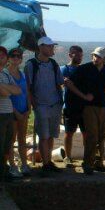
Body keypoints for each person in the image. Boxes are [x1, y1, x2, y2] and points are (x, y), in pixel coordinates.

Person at [64, 47, 105, 175]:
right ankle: (88, 164)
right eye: (94, 55)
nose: (95, 58)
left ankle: (99, 162)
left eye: (98, 56)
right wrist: (84, 96)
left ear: (104, 58)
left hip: (103, 107)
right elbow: (68, 83)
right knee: (92, 135)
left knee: (102, 136)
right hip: (89, 107)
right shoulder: (84, 69)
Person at [24, 36, 64, 174]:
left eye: (52, 46)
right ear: (41, 47)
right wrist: (32, 104)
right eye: (49, 46)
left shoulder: (54, 64)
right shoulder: (31, 65)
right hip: (41, 105)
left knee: (51, 135)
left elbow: (59, 83)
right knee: (43, 136)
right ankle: (46, 164)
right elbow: (27, 87)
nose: (52, 48)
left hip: (54, 105)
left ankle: (48, 162)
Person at [6, 48, 30, 177]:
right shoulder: (5, 74)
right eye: (13, 55)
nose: (16, 58)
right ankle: (12, 165)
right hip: (11, 112)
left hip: (23, 111)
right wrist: (16, 112)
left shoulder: (22, 74)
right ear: (8, 58)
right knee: (11, 139)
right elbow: (6, 96)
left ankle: (24, 164)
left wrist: (28, 107)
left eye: (18, 56)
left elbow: (26, 92)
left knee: (22, 138)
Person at [0, 46, 22, 182]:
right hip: (1, 114)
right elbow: (5, 93)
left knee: (7, 146)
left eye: (3, 55)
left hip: (8, 113)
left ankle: (3, 172)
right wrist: (8, 90)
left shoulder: (6, 74)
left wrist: (5, 88)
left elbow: (17, 90)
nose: (1, 57)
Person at [61, 45, 84, 166]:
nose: (79, 57)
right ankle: (68, 157)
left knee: (86, 133)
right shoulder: (64, 69)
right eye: (77, 55)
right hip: (69, 107)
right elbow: (58, 85)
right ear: (70, 55)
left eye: (81, 55)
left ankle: (87, 158)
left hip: (84, 107)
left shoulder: (84, 69)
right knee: (69, 133)